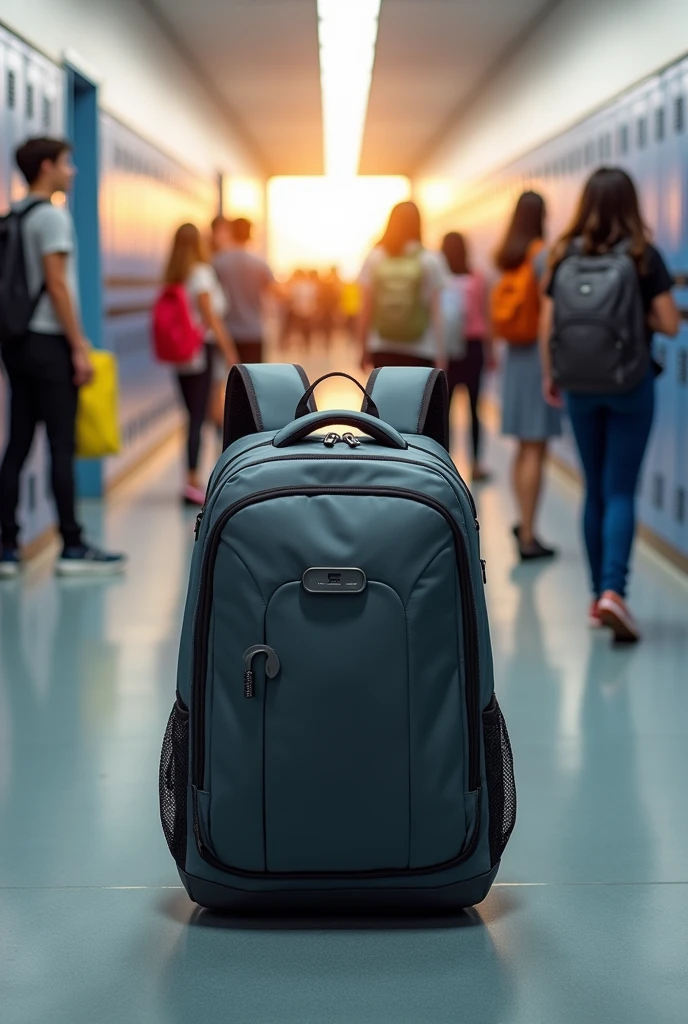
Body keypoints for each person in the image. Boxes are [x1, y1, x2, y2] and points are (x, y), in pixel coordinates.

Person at [541, 168, 679, 641]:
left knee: (593, 490)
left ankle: (596, 597)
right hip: (629, 384)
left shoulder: (563, 255)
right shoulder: (643, 255)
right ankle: (613, 592)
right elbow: (669, 325)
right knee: (621, 489)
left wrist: (550, 375)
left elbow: (549, 324)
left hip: (579, 384)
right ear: (631, 204)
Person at [0, 137, 126, 578]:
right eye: (67, 164)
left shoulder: (13, 215)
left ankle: (7, 547)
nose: (72, 172)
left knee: (17, 443)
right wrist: (78, 346)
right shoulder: (51, 216)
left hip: (15, 343)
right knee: (60, 444)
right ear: (47, 166)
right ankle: (72, 545)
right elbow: (56, 284)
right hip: (49, 343)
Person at [494, 191, 560, 560]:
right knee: (537, 447)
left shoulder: (509, 255)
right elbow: (550, 314)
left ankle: (524, 523)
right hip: (537, 359)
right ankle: (530, 535)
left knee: (523, 447)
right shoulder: (541, 254)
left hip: (514, 359)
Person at [164, 223, 237, 506]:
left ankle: (197, 478)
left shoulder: (175, 274)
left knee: (195, 416)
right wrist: (229, 350)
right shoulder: (201, 273)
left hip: (181, 354)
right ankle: (195, 482)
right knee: (202, 417)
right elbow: (211, 318)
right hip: (201, 351)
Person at [358, 201, 447, 370]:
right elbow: (437, 313)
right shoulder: (429, 259)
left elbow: (366, 308)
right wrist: (441, 354)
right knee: (418, 397)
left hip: (382, 346)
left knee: (385, 397)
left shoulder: (375, 257)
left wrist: (363, 348)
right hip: (421, 349)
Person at [441, 232, 494, 483]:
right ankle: (475, 465)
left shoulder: (440, 280)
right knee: (474, 409)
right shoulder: (478, 278)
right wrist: (491, 351)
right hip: (474, 348)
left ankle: (445, 465)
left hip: (447, 351)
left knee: (445, 411)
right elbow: (487, 316)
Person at [213, 216, 276, 365]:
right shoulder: (260, 264)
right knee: (254, 382)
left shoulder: (218, 262)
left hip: (227, 333)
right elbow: (276, 292)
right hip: (254, 331)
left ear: (231, 232)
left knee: (230, 381)